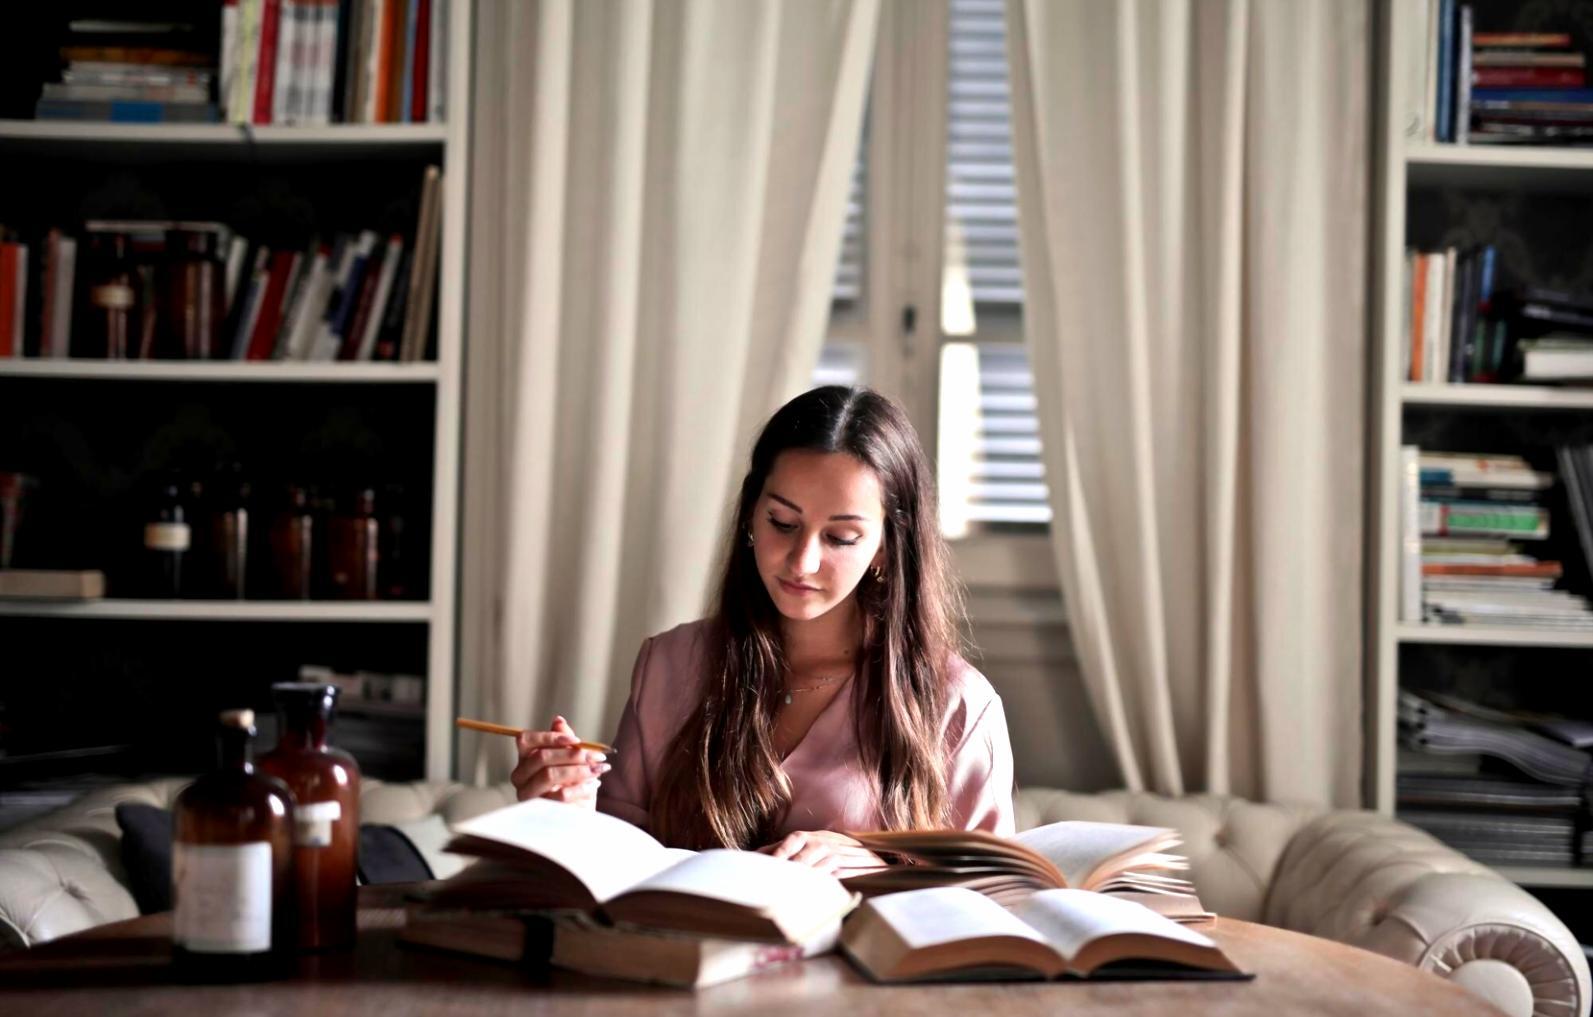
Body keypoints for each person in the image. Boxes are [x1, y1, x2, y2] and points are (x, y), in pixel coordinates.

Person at [510, 385, 1015, 875]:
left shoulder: (956, 703)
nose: (803, 561)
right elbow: (611, 872)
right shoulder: (670, 666)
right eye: (782, 523)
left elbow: (989, 904)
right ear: (752, 514)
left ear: (885, 547)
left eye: (841, 537)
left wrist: (880, 867)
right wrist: (562, 816)